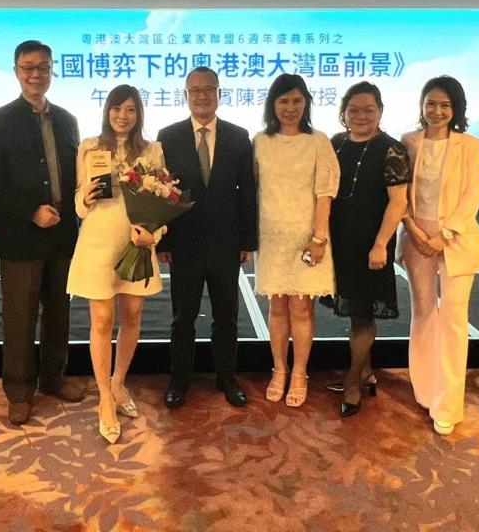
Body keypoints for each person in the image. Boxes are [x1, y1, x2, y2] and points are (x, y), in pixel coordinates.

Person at [0, 40, 86, 426]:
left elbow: (76, 174)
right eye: (28, 67)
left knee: (59, 311)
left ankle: (54, 378)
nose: (36, 74)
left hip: (62, 234)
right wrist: (30, 211)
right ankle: (20, 391)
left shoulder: (68, 120)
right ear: (16, 71)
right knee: (20, 316)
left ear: (53, 70)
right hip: (22, 235)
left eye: (43, 67)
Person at [67, 84, 166, 444]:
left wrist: (154, 234)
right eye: (116, 109)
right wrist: (86, 197)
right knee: (102, 320)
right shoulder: (90, 147)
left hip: (136, 243)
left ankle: (119, 383)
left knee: (133, 315)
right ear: (107, 111)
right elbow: (79, 206)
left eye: (130, 110)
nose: (122, 116)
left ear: (139, 114)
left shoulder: (152, 150)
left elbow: (164, 199)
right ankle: (105, 400)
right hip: (98, 241)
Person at [157, 67, 257, 409]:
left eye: (208, 89)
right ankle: (179, 381)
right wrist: (163, 242)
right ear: (186, 95)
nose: (202, 95)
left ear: (218, 93)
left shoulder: (238, 136)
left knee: (226, 317)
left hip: (226, 244)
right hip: (183, 244)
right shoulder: (168, 136)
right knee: (182, 318)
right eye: (195, 90)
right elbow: (162, 192)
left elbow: (247, 191)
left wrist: (248, 241)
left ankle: (227, 378)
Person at [397, 76, 479, 435]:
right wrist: (414, 230)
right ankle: (425, 390)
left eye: (445, 105)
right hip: (416, 237)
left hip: (456, 239)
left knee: (453, 318)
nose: (437, 111)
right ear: (422, 105)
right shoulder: (408, 141)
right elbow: (399, 191)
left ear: (456, 109)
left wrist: (444, 235)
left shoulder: (469, 145)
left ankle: (447, 404)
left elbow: (472, 195)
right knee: (423, 312)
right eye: (431, 103)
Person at [253, 74, 339, 408]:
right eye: (283, 101)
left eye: (297, 101)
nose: (290, 108)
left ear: (306, 103)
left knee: (301, 309)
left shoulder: (318, 141)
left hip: (308, 238)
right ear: (272, 104)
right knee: (277, 308)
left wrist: (319, 238)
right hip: (271, 239)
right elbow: (252, 189)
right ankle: (279, 370)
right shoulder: (260, 141)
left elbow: (325, 193)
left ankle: (300, 373)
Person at [328, 81, 410, 417]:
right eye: (354, 110)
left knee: (362, 315)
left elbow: (398, 203)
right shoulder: (336, 143)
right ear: (344, 113)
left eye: (369, 110)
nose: (361, 116)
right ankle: (366, 371)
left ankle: (352, 382)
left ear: (380, 111)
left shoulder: (392, 150)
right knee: (355, 311)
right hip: (339, 242)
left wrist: (380, 244)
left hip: (370, 244)